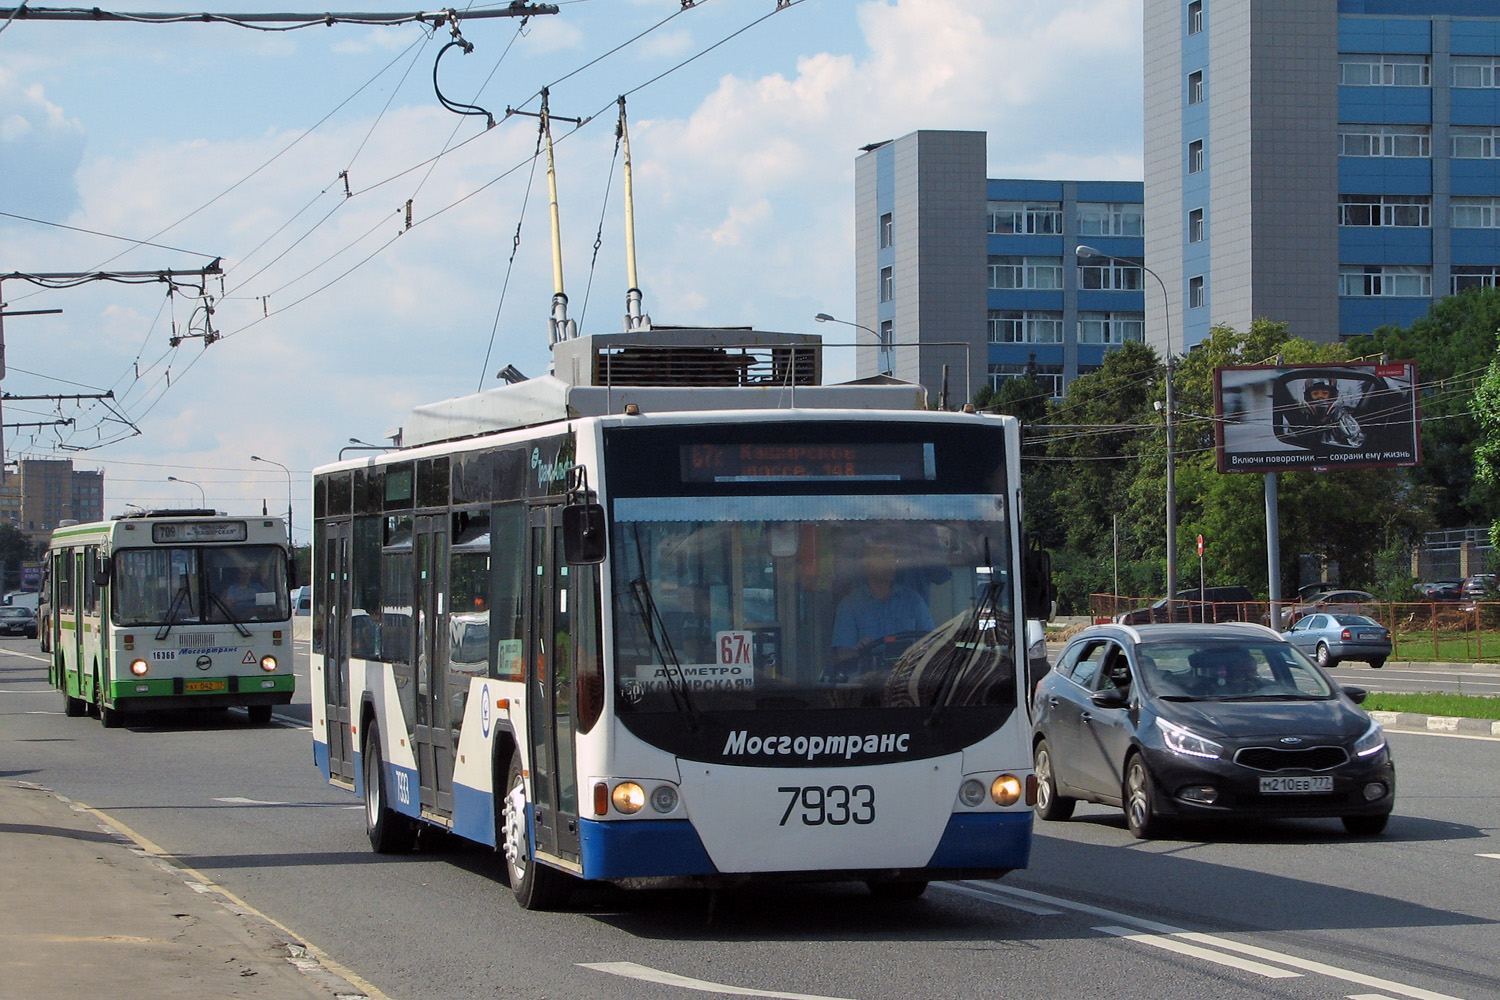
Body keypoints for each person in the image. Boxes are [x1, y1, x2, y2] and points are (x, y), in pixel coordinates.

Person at [832, 539, 935, 668]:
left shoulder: (913, 601)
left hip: (908, 680)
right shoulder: (849, 606)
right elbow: (842, 656)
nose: (891, 564)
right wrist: (860, 651)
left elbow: (932, 646)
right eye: (884, 558)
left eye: (894, 559)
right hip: (865, 684)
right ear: (866, 561)